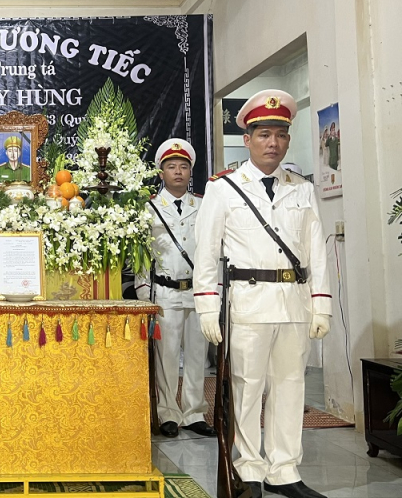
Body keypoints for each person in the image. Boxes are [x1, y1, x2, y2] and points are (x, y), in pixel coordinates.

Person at [193, 89, 331, 498]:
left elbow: (316, 250)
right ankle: (250, 469)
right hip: (248, 303)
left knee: (290, 386)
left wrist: (321, 304)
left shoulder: (301, 189)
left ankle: (284, 471)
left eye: (281, 135)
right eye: (264, 134)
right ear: (247, 139)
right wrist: (207, 307)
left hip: (294, 303)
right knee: (247, 386)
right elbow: (206, 251)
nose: (273, 143)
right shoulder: (224, 188)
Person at [135, 139, 215, 439]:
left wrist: (215, 291)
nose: (178, 172)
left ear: (190, 171)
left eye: (183, 167)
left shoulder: (204, 206)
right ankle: (168, 412)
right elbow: (142, 254)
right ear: (161, 172)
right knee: (166, 356)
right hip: (165, 292)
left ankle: (194, 413)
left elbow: (213, 249)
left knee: (197, 355)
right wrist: (144, 291)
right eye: (171, 167)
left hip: (197, 292)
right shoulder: (149, 208)